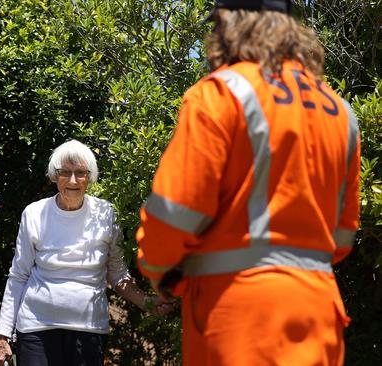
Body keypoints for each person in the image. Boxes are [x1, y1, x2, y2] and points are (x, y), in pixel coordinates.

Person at [136, 0, 361, 365]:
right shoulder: (339, 111)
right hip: (319, 313)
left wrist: (160, 271)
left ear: (231, 24)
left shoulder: (221, 93)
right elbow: (342, 236)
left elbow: (174, 214)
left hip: (240, 316)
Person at [0, 140, 172, 366]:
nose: (73, 180)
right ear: (54, 176)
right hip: (37, 328)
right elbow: (19, 275)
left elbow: (116, 274)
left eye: (80, 173)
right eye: (65, 172)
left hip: (89, 330)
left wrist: (146, 302)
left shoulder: (105, 214)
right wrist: (2, 334)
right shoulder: (35, 214)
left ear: (90, 177)